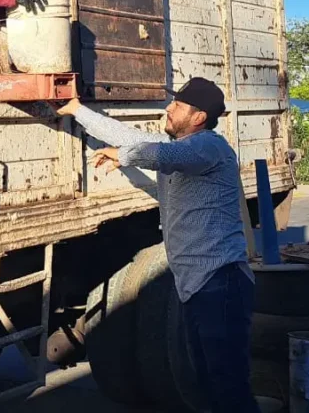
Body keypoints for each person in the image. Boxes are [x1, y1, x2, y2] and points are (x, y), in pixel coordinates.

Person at [55, 78, 258, 413]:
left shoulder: (209, 148)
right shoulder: (181, 148)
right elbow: (130, 137)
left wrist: (124, 156)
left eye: (177, 105)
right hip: (195, 285)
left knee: (228, 385)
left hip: (220, 284)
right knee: (206, 382)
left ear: (198, 117)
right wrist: (77, 110)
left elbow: (160, 154)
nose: (168, 108)